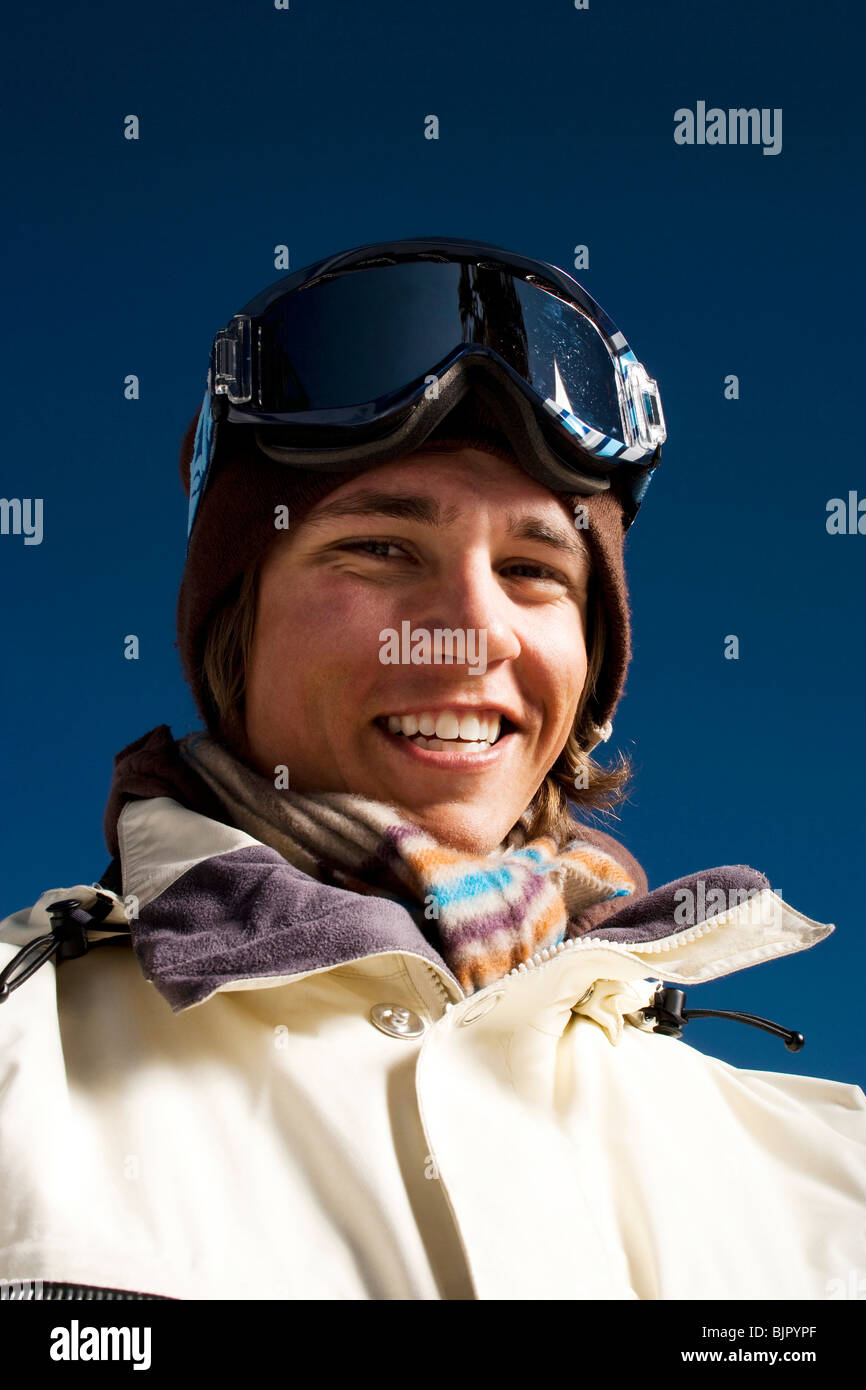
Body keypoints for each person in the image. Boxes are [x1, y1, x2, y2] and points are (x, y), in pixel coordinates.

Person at [1, 237, 863, 1302]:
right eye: (378, 549)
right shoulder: (19, 1062)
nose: (465, 632)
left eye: (532, 569)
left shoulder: (827, 1184)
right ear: (238, 630)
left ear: (588, 665)